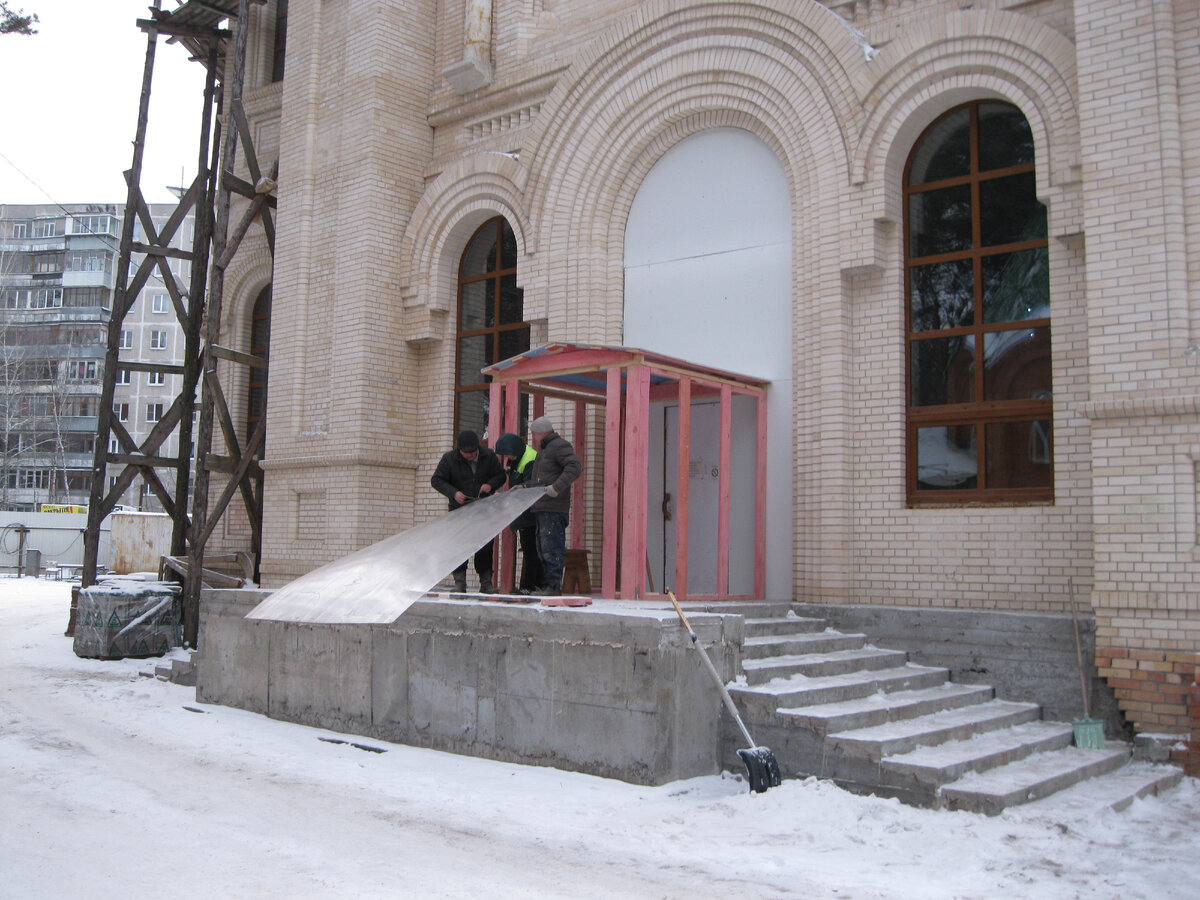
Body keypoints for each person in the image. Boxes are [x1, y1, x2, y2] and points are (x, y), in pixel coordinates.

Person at [430, 430, 506, 593]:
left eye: (473, 452)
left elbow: (501, 476)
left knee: (485, 546)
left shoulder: (488, 456)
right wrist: (453, 493)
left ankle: (486, 583)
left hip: (484, 509)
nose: (471, 455)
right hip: (459, 510)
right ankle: (460, 583)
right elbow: (436, 480)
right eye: (467, 453)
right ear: (459, 450)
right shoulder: (449, 459)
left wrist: (490, 485)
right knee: (459, 546)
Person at [526, 416, 582, 596]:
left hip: (553, 508)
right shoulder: (545, 450)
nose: (533, 438)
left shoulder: (558, 446)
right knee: (543, 548)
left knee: (551, 547)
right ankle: (548, 586)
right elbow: (542, 480)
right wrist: (526, 487)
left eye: (534, 434)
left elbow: (574, 467)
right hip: (543, 507)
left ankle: (553, 586)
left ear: (539, 433)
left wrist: (557, 488)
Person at [494, 432, 543, 593]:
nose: (506, 458)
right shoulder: (517, 457)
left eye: (507, 454)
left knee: (531, 549)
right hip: (524, 510)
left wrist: (518, 490)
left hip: (532, 511)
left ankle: (529, 586)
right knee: (531, 549)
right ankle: (534, 584)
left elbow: (531, 485)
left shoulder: (530, 459)